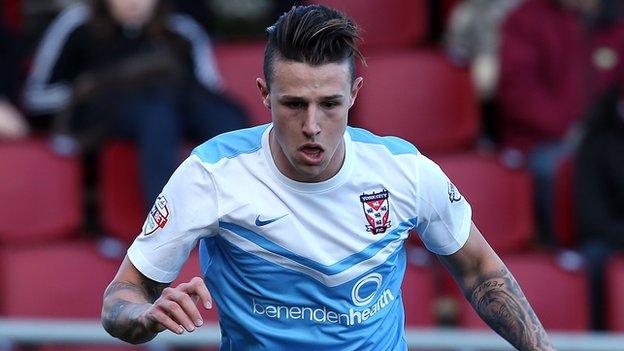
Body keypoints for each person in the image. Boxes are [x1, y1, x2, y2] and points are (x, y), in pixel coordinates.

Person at [101, 5, 555, 350]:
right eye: (294, 104)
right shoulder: (210, 175)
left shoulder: (405, 173)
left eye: (330, 104)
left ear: (354, 95)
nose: (312, 125)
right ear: (264, 94)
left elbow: (479, 268)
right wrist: (145, 315)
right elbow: (121, 297)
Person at [23, 0, 248, 206]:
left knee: (223, 115)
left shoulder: (180, 29)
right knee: (156, 116)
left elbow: (211, 92)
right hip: (104, 117)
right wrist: (88, 90)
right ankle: (167, 225)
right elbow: (37, 97)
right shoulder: (78, 24)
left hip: (174, 108)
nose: (133, 3)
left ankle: (246, 212)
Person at [497, 0, 624, 242]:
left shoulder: (617, 17)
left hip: (606, 138)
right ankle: (562, 256)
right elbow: (519, 92)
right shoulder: (527, 18)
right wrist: (569, 129)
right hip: (544, 140)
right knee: (554, 168)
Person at [576, 86, 624, 330]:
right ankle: (597, 336)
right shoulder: (598, 139)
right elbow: (591, 216)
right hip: (609, 237)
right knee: (594, 257)